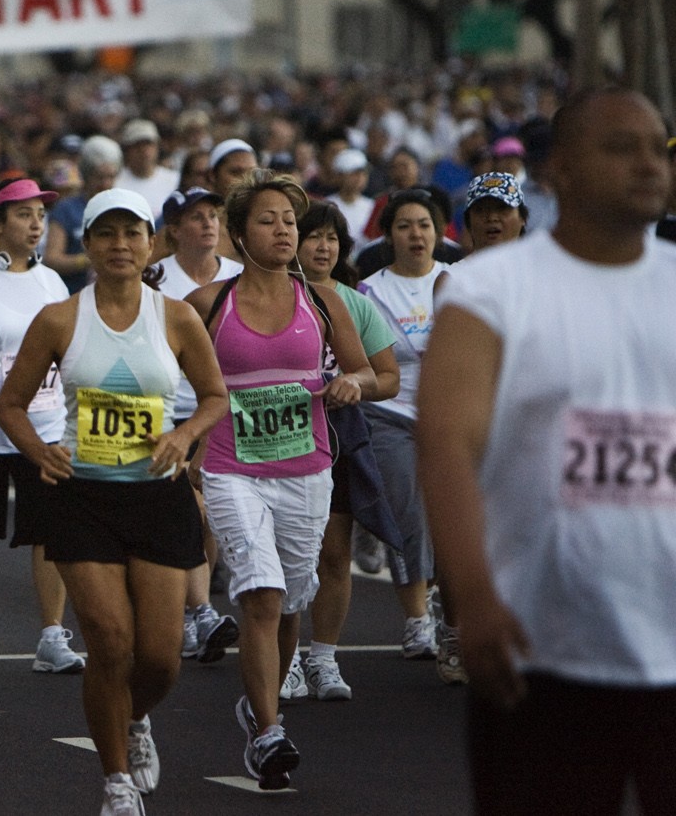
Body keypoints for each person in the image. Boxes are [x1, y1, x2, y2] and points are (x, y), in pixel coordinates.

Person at [417, 89, 676, 816]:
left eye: (660, 148)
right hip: (541, 646)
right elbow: (446, 444)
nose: (649, 165)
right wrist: (474, 598)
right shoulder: (489, 290)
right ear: (558, 171)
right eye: (622, 148)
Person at [0, 188, 230, 816]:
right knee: (110, 641)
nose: (120, 246)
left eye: (132, 234)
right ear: (90, 246)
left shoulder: (176, 316)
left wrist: (184, 436)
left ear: (152, 243)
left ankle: (133, 719)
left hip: (157, 499)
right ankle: (116, 782)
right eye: (106, 235)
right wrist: (39, 451)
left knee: (159, 659)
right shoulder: (59, 319)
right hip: (81, 499)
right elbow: (10, 404)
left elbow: (214, 396)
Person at [185, 171, 376, 792]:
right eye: (268, 220)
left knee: (293, 597)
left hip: (307, 469)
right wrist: (185, 440)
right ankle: (267, 730)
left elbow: (368, 372)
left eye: (289, 220)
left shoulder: (323, 302)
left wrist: (352, 383)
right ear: (239, 235)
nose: (284, 230)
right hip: (231, 468)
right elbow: (179, 385)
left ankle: (260, 701)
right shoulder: (207, 304)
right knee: (260, 592)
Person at [0, 178, 84, 674]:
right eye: (24, 215)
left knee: (51, 532)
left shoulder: (50, 282)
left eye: (41, 216)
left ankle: (51, 637)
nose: (36, 225)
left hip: (43, 426)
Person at [282, 202, 402, 702]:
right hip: (277, 433)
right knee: (283, 555)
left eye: (333, 238)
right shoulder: (267, 297)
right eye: (314, 237)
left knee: (334, 552)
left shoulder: (354, 305)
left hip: (337, 433)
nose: (323, 247)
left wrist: (352, 383)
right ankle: (283, 660)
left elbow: (388, 378)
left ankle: (324, 658)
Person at [359, 188, 450, 665]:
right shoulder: (369, 291)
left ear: (439, 233)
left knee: (448, 521)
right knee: (409, 515)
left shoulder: (458, 281)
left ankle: (442, 607)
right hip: (390, 414)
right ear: (388, 235)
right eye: (404, 226)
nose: (416, 234)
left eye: (424, 225)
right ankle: (417, 620)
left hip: (449, 416)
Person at [154, 188, 242, 662]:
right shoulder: (155, 279)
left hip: (219, 406)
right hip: (166, 411)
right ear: (173, 230)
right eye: (196, 217)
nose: (208, 224)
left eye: (214, 215)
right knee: (190, 508)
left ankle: (195, 614)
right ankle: (201, 611)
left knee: (207, 514)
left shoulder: (239, 277)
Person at [45, 136, 122, 294]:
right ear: (86, 175)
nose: (106, 183)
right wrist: (87, 260)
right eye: (100, 177)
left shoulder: (122, 207)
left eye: (111, 177)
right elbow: (51, 259)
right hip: (73, 293)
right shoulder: (66, 208)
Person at [115, 119, 180, 213]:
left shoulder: (174, 180)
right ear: (127, 150)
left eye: (148, 144)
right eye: (137, 145)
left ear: (157, 147)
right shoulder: (116, 182)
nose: (144, 151)